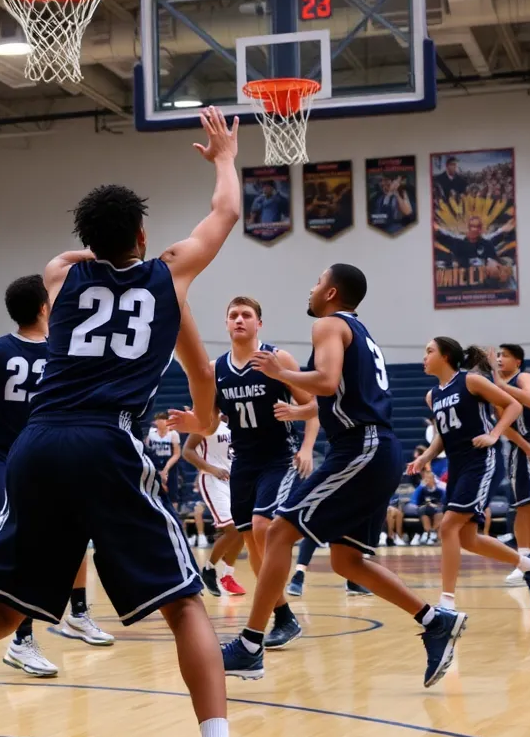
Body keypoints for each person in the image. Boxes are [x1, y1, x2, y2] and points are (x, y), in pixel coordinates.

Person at [0, 107, 265, 737]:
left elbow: (73, 256)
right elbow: (223, 214)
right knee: (185, 601)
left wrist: (93, 247)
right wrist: (224, 156)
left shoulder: (60, 280)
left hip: (36, 444)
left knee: (2, 605)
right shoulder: (169, 275)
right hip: (106, 440)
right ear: (142, 234)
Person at [214, 265, 470, 689]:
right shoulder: (359, 331)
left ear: (331, 292)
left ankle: (249, 644)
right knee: (346, 560)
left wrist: (280, 374)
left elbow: (328, 383)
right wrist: (302, 410)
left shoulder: (328, 324)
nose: (311, 288)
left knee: (276, 532)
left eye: (316, 282)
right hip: (376, 448)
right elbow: (340, 395)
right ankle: (434, 621)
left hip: (360, 448)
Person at [0, 274, 114, 680]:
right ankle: (21, 638)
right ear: (46, 307)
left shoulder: (65, 351)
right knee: (7, 536)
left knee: (68, 530)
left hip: (41, 456)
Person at [194, 295, 318, 646]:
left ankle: (265, 623)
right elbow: (207, 424)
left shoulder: (277, 359)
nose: (239, 320)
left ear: (258, 323)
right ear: (226, 323)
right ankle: (284, 617)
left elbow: (313, 406)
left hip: (278, 458)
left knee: (264, 528)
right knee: (250, 541)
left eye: (246, 315)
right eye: (233, 315)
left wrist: (306, 446)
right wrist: (197, 423)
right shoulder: (216, 369)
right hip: (242, 463)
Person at [410, 339, 530, 613]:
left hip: (482, 460)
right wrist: (426, 456)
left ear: (446, 356)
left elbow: (514, 406)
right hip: (458, 464)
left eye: (429, 351)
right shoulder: (432, 395)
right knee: (467, 538)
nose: (424, 357)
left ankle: (446, 603)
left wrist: (494, 434)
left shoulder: (471, 381)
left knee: (447, 527)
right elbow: (443, 434)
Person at [493, 344, 530, 588]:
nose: (499, 359)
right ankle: (523, 559)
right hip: (519, 448)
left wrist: (501, 386)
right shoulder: (496, 388)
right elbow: (503, 425)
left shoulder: (524, 377)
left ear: (517, 361)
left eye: (504, 355)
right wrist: (523, 447)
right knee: (520, 506)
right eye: (497, 355)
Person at [183, 415, 246, 598]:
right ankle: (209, 570)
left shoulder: (233, 424)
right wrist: (212, 469)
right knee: (232, 528)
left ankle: (228, 575)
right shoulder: (206, 422)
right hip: (212, 479)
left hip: (234, 480)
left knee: (243, 529)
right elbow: (187, 451)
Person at [146, 412, 182, 509]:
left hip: (170, 462)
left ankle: (175, 517)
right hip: (155, 462)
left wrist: (166, 469)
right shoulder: (151, 433)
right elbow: (146, 451)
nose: (160, 422)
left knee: (172, 494)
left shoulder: (173, 434)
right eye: (158, 420)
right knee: (153, 491)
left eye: (163, 419)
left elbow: (177, 453)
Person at [412, 470, 445, 545]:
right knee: (422, 510)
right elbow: (414, 500)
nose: (427, 481)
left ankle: (431, 534)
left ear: (433, 479)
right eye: (425, 479)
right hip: (424, 507)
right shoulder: (422, 489)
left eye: (429, 478)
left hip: (437, 508)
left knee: (440, 510)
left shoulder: (440, 490)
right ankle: (428, 533)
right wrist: (421, 486)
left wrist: (436, 505)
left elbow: (443, 502)